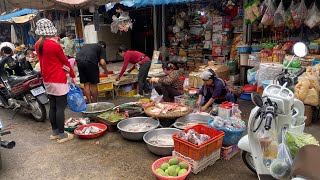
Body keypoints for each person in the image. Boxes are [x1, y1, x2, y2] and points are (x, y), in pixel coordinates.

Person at [35, 18, 76, 143]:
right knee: (60, 108)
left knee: (52, 106)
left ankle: (54, 132)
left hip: (47, 79)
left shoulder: (37, 44)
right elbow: (65, 61)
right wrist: (73, 75)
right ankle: (62, 135)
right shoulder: (54, 45)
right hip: (57, 78)